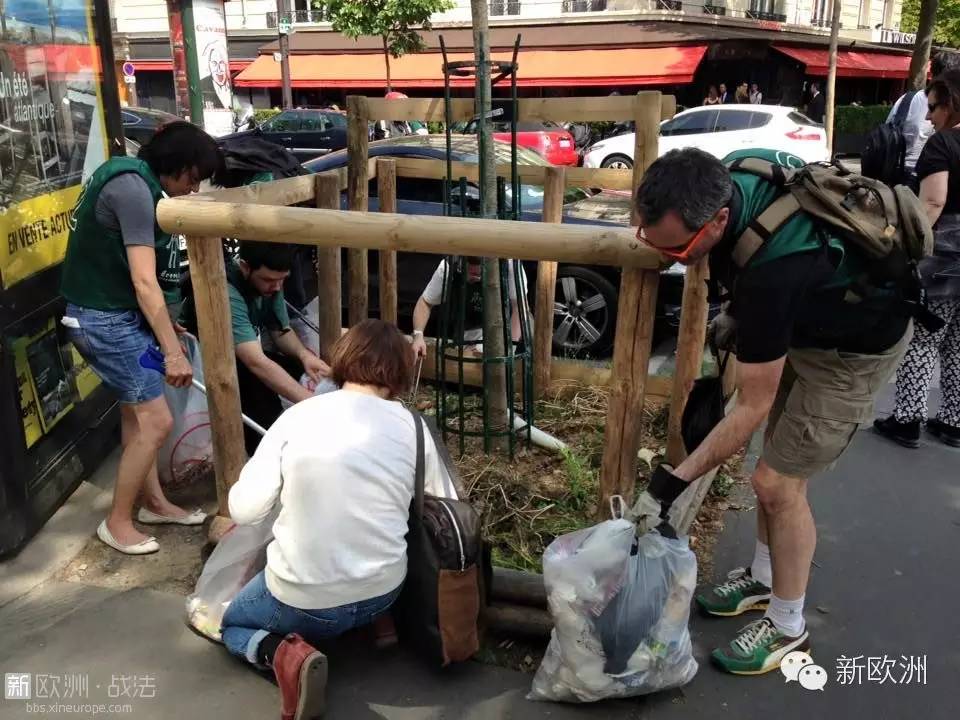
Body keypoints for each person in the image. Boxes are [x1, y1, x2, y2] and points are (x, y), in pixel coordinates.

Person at [629, 147, 912, 675]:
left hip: (855, 347)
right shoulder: (734, 173)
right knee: (769, 475)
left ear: (716, 220)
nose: (670, 259)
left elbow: (752, 405)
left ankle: (787, 626)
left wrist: (670, 485)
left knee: (779, 485)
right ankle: (763, 578)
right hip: (808, 325)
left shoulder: (774, 273)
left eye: (678, 249)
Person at [219, 319, 456, 720]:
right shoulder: (414, 426)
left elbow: (245, 510)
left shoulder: (299, 417)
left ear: (343, 361)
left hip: (300, 600)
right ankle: (380, 627)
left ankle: (287, 656)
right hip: (385, 588)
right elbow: (446, 503)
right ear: (399, 372)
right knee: (374, 522)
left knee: (232, 626)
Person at [60, 122, 224, 554]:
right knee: (156, 421)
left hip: (112, 313)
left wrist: (167, 328)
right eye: (194, 179)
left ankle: (153, 503)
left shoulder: (129, 175)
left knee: (138, 418)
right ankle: (117, 523)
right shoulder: (134, 192)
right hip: (102, 320)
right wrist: (173, 352)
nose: (193, 190)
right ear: (180, 167)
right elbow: (145, 283)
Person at [874, 70, 960, 449]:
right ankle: (953, 421)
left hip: (946, 254)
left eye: (935, 107)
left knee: (924, 337)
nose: (929, 118)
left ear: (953, 103)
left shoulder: (943, 144)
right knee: (957, 341)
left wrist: (909, 246)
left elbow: (933, 202)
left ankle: (907, 418)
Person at [180, 241, 330, 454]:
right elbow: (256, 363)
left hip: (240, 354)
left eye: (282, 280)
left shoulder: (272, 284)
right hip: (203, 363)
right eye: (269, 280)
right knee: (262, 403)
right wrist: (308, 401)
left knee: (299, 371)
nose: (277, 287)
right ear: (245, 267)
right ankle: (262, 458)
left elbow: (280, 331)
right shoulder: (228, 292)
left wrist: (304, 355)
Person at [410, 256, 526, 359]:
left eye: (479, 274)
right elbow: (425, 302)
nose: (475, 278)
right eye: (471, 273)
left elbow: (519, 309)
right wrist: (418, 335)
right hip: (466, 332)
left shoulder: (510, 265)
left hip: (505, 332)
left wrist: (510, 349)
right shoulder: (449, 265)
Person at [882, 52, 958, 187]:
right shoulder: (951, 106)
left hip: (895, 172)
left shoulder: (906, 98)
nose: (928, 116)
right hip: (929, 174)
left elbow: (886, 130)